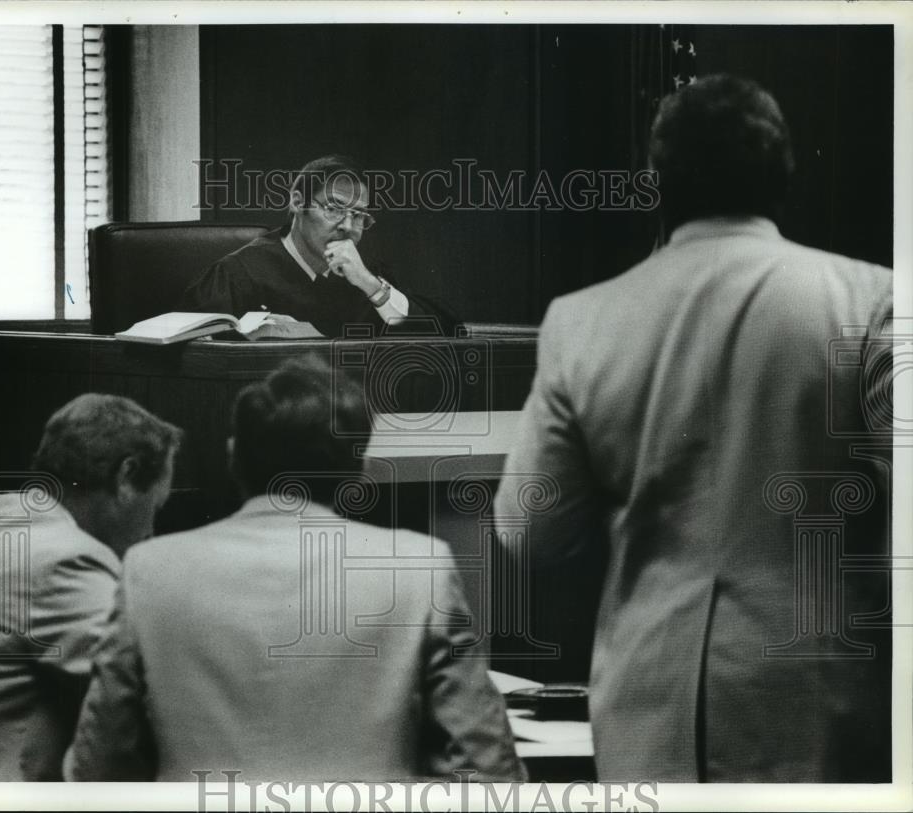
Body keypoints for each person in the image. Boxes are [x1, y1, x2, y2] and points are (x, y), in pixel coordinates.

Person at [495, 74, 893, 782]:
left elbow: (531, 531)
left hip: (650, 701)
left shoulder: (580, 319)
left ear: (657, 182)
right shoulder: (875, 301)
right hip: (825, 696)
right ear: (785, 176)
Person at [65, 355, 525, 782]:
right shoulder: (420, 567)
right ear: (358, 469)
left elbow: (98, 767)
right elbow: (487, 768)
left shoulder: (149, 571)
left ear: (233, 458)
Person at [0, 394, 181, 781]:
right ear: (125, 476)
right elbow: (143, 690)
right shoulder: (66, 559)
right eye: (154, 507)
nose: (151, 531)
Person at [180, 154, 457, 337]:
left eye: (359, 216)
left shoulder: (367, 275)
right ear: (298, 203)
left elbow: (438, 333)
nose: (348, 227)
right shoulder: (238, 274)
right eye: (334, 209)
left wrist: (371, 285)